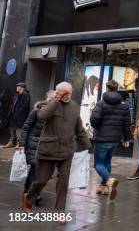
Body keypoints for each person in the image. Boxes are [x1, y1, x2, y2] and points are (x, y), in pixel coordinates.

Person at [23, 82, 91, 212]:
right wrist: (56, 101)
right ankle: (29, 197)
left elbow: (79, 128)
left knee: (63, 182)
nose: (67, 95)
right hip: (48, 150)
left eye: (69, 93)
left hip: (66, 150)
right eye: (63, 92)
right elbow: (42, 116)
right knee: (41, 180)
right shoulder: (50, 104)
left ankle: (59, 211)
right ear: (57, 92)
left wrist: (87, 145)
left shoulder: (74, 106)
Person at [89, 79, 131, 199]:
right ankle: (104, 187)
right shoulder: (124, 106)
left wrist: (96, 124)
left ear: (107, 88)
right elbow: (126, 124)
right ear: (117, 89)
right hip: (114, 140)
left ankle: (109, 179)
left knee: (98, 164)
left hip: (102, 139)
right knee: (107, 162)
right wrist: (126, 139)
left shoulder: (101, 103)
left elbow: (94, 121)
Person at [17, 90, 55, 208]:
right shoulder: (37, 111)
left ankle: (31, 192)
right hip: (34, 145)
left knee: (41, 173)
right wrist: (22, 144)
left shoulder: (56, 114)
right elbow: (26, 127)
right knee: (35, 171)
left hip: (47, 147)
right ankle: (30, 193)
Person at [4, 83, 31, 148]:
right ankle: (11, 142)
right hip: (12, 115)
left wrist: (19, 112)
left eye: (18, 86)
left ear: (22, 87)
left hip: (20, 116)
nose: (16, 87)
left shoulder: (26, 95)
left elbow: (26, 105)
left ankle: (19, 143)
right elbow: (13, 104)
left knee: (18, 129)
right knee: (11, 128)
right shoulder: (16, 95)